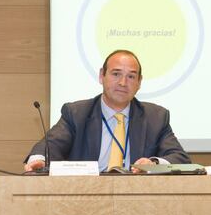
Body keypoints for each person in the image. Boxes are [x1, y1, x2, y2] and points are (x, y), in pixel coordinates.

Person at [24, 49, 191, 173]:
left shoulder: (156, 117)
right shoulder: (76, 113)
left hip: (137, 196)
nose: (123, 83)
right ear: (101, 76)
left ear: (139, 82)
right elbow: (49, 147)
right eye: (116, 74)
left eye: (131, 76)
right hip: (87, 196)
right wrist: (38, 160)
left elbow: (180, 158)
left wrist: (153, 164)